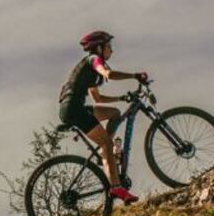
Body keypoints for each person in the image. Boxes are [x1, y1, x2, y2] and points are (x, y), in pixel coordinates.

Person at [58, 30, 148, 204]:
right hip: (74, 110)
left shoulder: (90, 70)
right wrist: (135, 76)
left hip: (73, 108)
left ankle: (105, 153)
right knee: (106, 142)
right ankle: (115, 187)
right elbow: (109, 74)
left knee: (114, 113)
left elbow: (98, 99)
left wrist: (121, 98)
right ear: (99, 48)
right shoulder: (94, 60)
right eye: (109, 47)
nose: (111, 51)